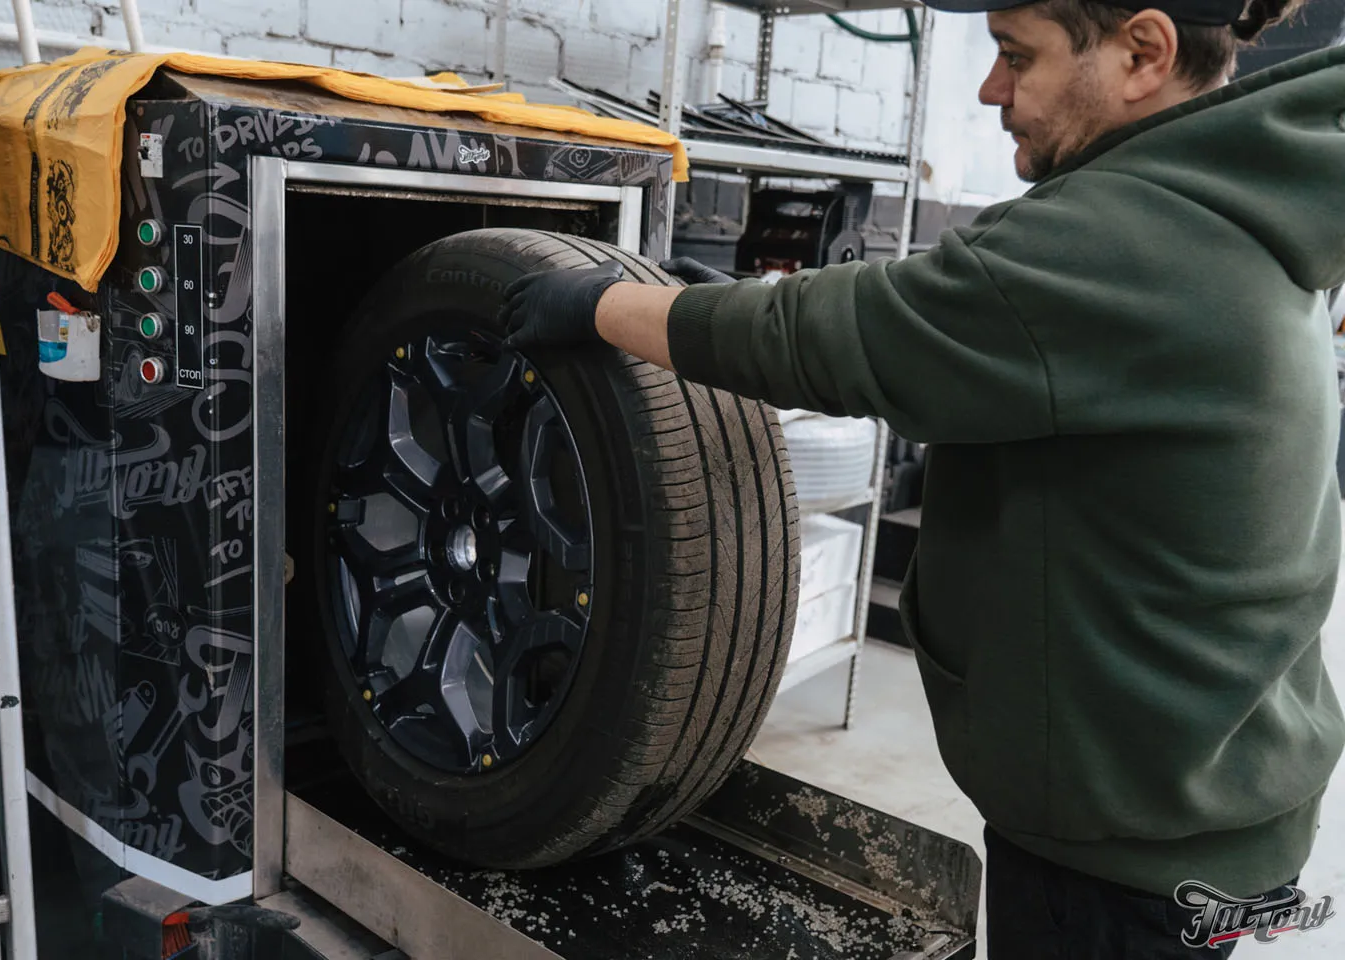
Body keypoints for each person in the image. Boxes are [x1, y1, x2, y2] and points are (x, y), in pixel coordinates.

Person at [499, 0, 1345, 955]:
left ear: (1141, 52)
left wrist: (606, 305)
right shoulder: (1233, 197)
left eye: (1015, 57)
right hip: (1213, 780)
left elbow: (837, 339)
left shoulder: (1134, 237)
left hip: (1125, 856)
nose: (992, 91)